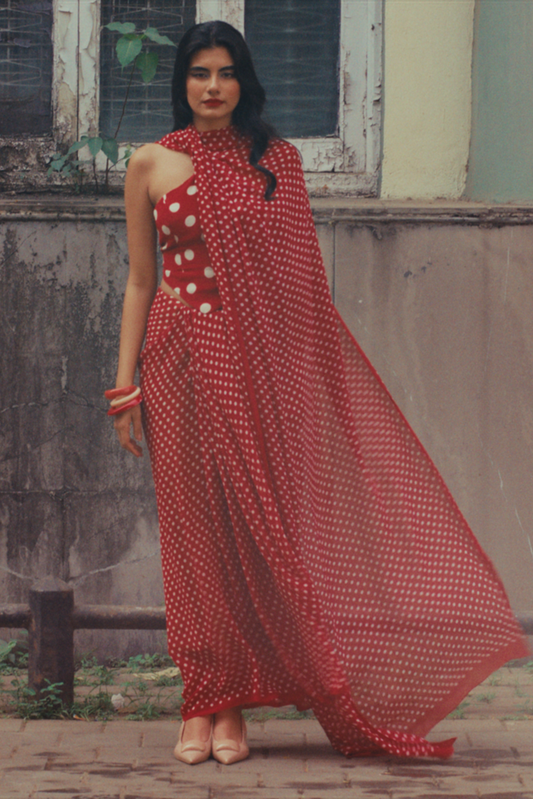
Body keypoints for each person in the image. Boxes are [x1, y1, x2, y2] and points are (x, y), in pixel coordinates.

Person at [108, 20, 527, 766]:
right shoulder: (150, 162)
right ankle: (207, 698)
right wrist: (123, 385)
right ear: (182, 82)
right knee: (194, 530)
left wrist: (300, 381)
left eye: (226, 71)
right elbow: (143, 279)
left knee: (258, 532)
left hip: (256, 367)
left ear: (244, 81)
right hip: (177, 359)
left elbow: (300, 285)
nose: (212, 86)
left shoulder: (279, 163)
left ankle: (241, 703)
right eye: (199, 72)